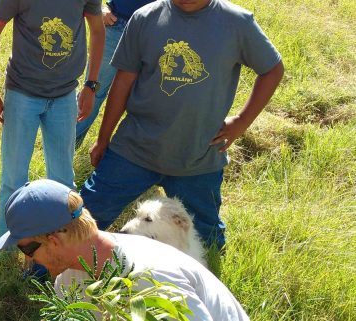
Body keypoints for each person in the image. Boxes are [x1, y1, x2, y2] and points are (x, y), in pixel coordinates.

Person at [81, 0, 284, 251]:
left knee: (208, 242)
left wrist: (242, 122)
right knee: (82, 222)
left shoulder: (237, 22)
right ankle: (38, 274)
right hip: (135, 149)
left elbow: (273, 69)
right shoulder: (146, 17)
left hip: (198, 159)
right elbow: (123, 83)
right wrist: (104, 139)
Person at [0, 179, 250, 320]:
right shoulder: (69, 281)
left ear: (54, 240)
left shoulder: (150, 278)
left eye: (28, 250)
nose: (29, 261)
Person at [0, 0, 105, 277]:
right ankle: (6, 253)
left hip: (65, 94)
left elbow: (98, 30)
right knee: (12, 180)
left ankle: (64, 253)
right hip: (22, 93)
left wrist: (91, 85)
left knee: (64, 181)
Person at [73, 0, 154, 148]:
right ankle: (65, 152)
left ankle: (129, 159)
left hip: (153, 33)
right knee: (93, 91)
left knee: (143, 101)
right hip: (116, 24)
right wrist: (99, 8)